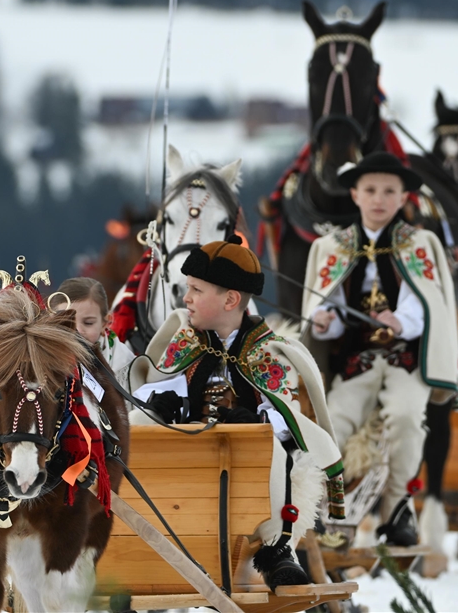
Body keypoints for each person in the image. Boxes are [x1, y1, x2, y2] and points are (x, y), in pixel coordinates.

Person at [127, 234, 346, 590]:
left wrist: (256, 420)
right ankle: (130, 537)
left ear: (230, 299)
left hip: (246, 458)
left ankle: (277, 549)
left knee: (270, 446)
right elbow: (160, 382)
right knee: (137, 424)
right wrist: (162, 403)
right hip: (187, 446)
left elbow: (285, 413)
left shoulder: (271, 351)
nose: (186, 299)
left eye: (196, 290)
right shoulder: (185, 340)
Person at [301, 151, 458, 548]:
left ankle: (397, 509)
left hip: (405, 361)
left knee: (408, 418)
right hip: (357, 363)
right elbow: (328, 304)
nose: (379, 199)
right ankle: (322, 508)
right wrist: (324, 321)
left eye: (389, 191)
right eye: (370, 190)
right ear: (354, 194)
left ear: (403, 197)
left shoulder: (421, 244)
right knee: (331, 423)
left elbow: (428, 302)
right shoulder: (333, 247)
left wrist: (400, 321)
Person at [54, 277, 136, 389]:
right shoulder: (43, 361)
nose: (77, 330)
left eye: (88, 323)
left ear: (105, 323)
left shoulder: (125, 364)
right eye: (67, 322)